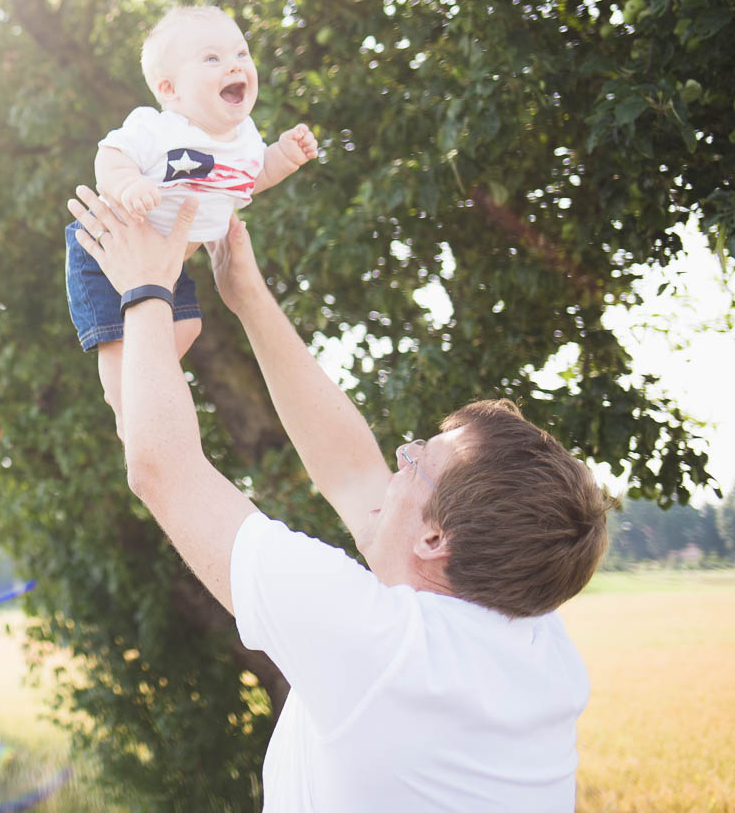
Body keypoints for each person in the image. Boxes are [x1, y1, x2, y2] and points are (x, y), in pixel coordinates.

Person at [66, 187, 613, 812]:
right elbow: (352, 472)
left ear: (435, 539)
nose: (398, 459)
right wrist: (247, 295)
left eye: (416, 460)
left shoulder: (380, 648)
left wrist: (144, 286)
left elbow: (163, 470)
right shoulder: (533, 634)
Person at [64, 5, 317, 437]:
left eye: (241, 53)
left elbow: (251, 179)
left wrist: (284, 156)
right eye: (212, 58)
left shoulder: (245, 140)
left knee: (188, 325)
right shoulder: (157, 128)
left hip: (167, 263)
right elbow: (110, 156)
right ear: (169, 88)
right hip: (109, 248)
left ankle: (146, 385)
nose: (235, 64)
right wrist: (128, 185)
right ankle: (125, 409)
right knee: (117, 343)